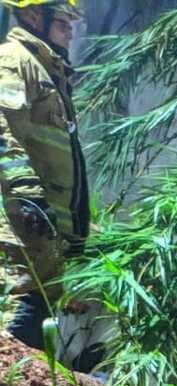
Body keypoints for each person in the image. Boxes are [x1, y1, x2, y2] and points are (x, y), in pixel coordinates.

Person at [0, 0, 87, 354]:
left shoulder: (49, 73)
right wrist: (27, 196)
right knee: (18, 318)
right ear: (35, 16)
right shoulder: (13, 61)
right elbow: (3, 130)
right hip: (23, 222)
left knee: (38, 316)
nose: (70, 31)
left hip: (46, 228)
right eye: (63, 22)